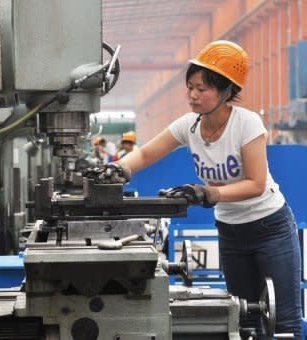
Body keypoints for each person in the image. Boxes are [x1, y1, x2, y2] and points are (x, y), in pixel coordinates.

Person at [114, 40, 302, 338]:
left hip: (271, 230)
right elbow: (147, 154)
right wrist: (118, 169)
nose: (193, 95)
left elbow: (256, 184)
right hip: (230, 232)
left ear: (226, 90)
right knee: (243, 318)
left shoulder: (247, 124)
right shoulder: (189, 126)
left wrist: (210, 193)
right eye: (190, 87)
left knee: (284, 323)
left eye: (202, 88)